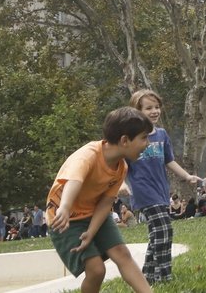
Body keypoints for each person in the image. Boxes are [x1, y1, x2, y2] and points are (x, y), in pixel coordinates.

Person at [46, 107, 153, 293]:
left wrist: (92, 231)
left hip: (94, 213)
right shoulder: (88, 155)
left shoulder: (121, 167)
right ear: (124, 140)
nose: (147, 143)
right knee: (96, 270)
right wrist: (65, 207)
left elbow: (106, 202)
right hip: (65, 219)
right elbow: (74, 180)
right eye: (143, 138)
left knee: (122, 253)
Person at [125, 89, 203, 285]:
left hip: (161, 190)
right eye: (148, 108)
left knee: (157, 233)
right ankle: (164, 275)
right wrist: (122, 184)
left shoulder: (161, 134)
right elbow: (121, 165)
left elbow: (169, 160)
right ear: (137, 111)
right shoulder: (130, 137)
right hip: (143, 191)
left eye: (157, 107)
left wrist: (187, 176)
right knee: (164, 229)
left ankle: (148, 276)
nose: (154, 111)